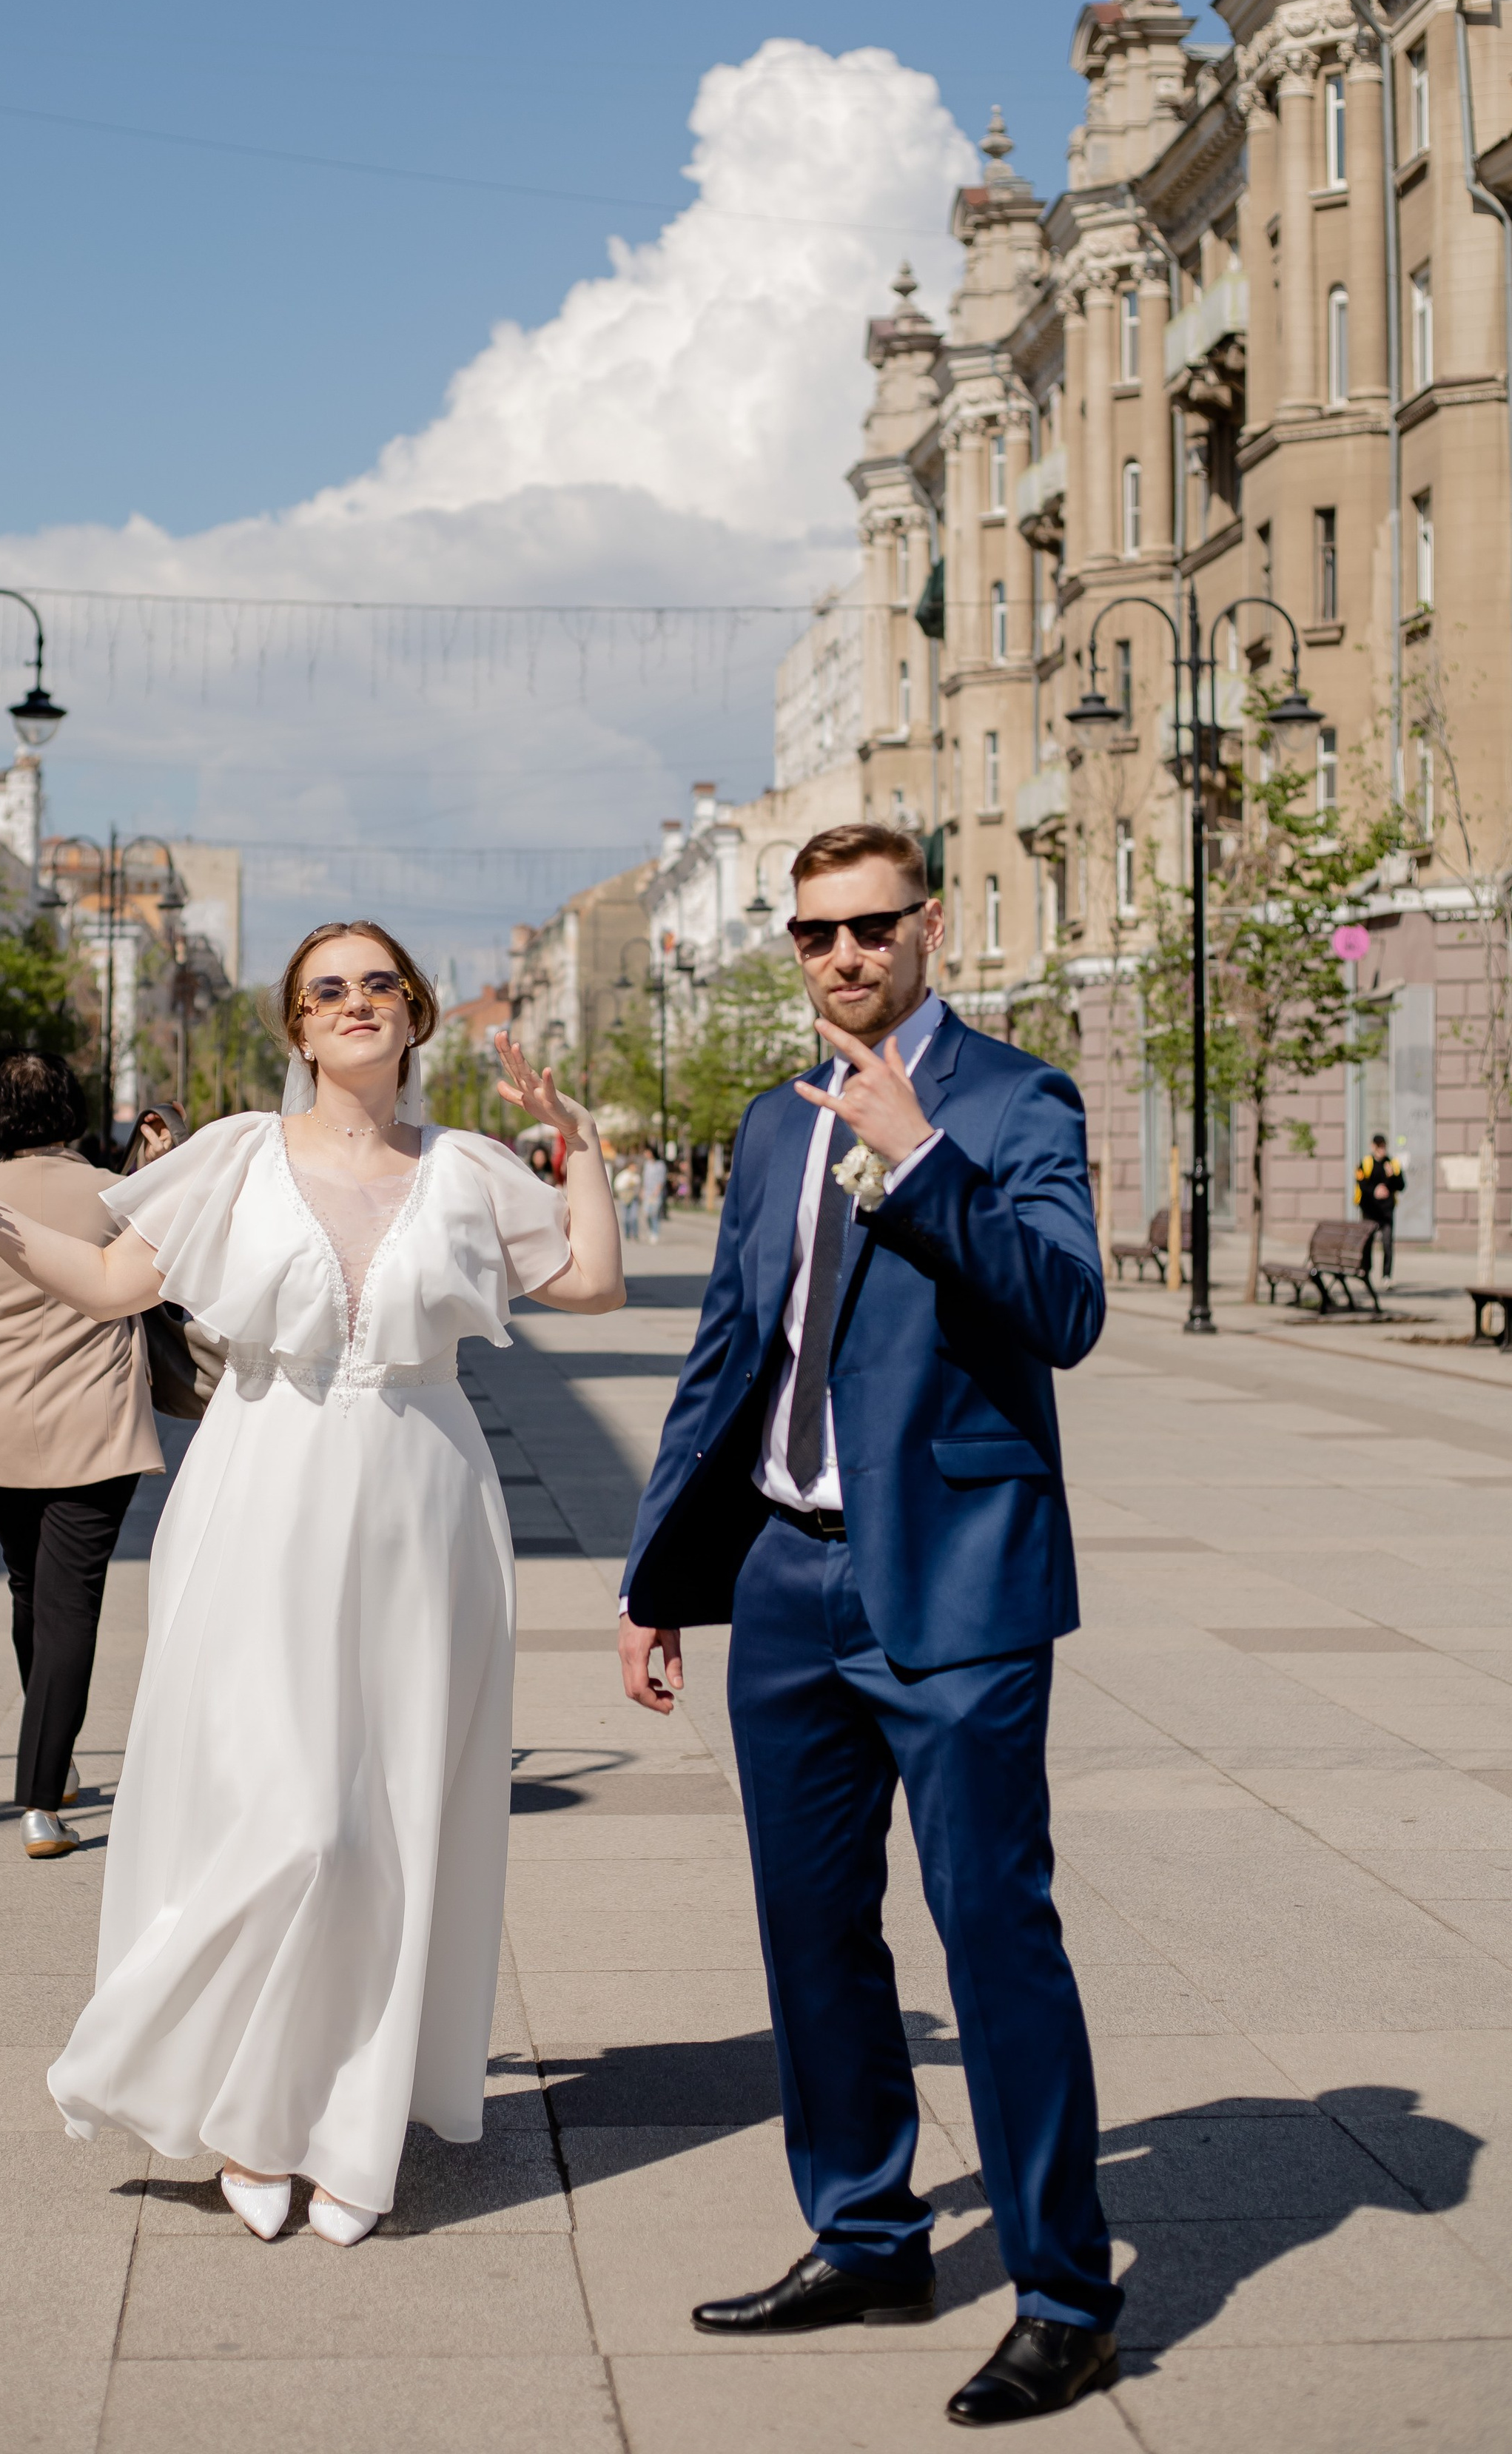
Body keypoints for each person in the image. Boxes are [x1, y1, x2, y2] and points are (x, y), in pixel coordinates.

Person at [0, 921, 621, 2248]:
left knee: (394, 1818)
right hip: (259, 1494)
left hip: (425, 1505)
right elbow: (107, 1281)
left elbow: (590, 1278)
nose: (355, 1003)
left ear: (411, 1015)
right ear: (297, 1029)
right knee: (293, 1819)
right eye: (326, 990)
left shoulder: (467, 1170)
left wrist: (577, 1139)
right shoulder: (235, 1155)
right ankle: (236, 2100)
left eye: (378, 985)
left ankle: (352, 2118)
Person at [618, 822, 1119, 2425]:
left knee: (992, 1938)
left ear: (928, 927)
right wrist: (655, 1578)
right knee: (810, 1934)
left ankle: (1060, 2291)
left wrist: (918, 1160)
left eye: (869, 928)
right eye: (814, 935)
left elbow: (1063, 1309)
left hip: (954, 1584)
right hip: (782, 1579)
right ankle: (865, 2233)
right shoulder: (768, 1125)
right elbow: (721, 1355)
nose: (841, 957)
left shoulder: (1012, 1096)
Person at [0, 1050, 164, 1860]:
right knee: (71, 1602)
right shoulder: (113, 1192)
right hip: (96, 1417)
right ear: (73, 1109)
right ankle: (40, 1801)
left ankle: (56, 1757)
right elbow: (153, 1283)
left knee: (28, 1587)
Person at [1355, 1131, 1405, 1282]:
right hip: (1370, 1211)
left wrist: (1393, 1176)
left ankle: (1386, 1276)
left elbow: (1402, 1186)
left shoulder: (1392, 1164)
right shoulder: (1366, 1163)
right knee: (1367, 1243)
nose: (1381, 1150)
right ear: (1373, 1147)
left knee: (1387, 1244)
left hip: (1387, 1212)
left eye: (1383, 1147)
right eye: (1378, 1147)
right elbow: (1361, 1185)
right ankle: (1366, 1271)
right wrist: (1375, 1191)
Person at [641, 1146, 668, 1244]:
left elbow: (661, 1179)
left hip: (656, 1193)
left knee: (654, 1213)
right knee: (646, 1213)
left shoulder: (660, 1165)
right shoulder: (647, 1164)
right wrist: (643, 1190)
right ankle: (650, 1230)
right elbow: (645, 1178)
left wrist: (658, 1190)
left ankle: (655, 1233)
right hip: (647, 1192)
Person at [614, 1157, 642, 1243]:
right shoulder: (624, 1175)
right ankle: (627, 1234)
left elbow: (639, 1185)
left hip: (633, 1197)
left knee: (633, 1217)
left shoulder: (636, 1176)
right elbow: (617, 1185)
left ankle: (635, 1234)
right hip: (625, 1197)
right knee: (625, 1217)